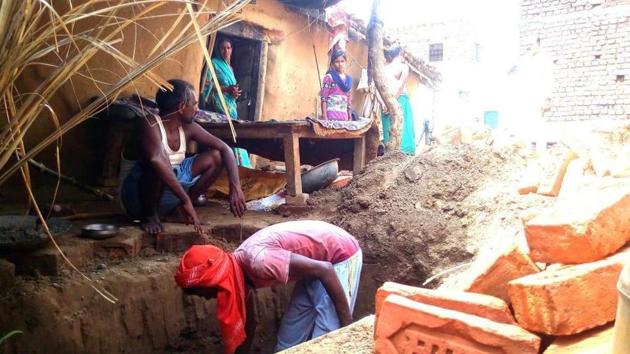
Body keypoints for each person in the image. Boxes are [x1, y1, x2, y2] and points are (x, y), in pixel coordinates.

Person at [175, 220, 362, 353]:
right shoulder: (237, 276)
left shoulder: (259, 261)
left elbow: (325, 269)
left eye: (203, 293)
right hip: (315, 265)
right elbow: (249, 326)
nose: (207, 298)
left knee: (329, 339)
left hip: (338, 256)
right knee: (288, 341)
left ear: (213, 281)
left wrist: (347, 326)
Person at [120, 79, 246, 235]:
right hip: (137, 198)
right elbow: (156, 159)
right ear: (181, 107)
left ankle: (178, 210)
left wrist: (235, 187)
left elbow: (225, 149)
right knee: (157, 164)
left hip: (168, 187)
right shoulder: (149, 124)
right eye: (194, 104)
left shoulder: (188, 127)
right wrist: (186, 199)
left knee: (216, 156)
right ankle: (150, 216)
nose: (197, 109)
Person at [201, 37, 251, 167]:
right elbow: (206, 86)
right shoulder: (213, 63)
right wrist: (226, 89)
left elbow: (231, 89)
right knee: (227, 133)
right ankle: (229, 164)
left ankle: (240, 164)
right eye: (223, 48)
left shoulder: (230, 68)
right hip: (219, 105)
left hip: (231, 106)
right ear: (218, 49)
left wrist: (233, 93)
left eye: (228, 48)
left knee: (235, 134)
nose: (226, 51)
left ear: (232, 50)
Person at [381, 44, 416, 155]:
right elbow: (400, 87)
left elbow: (377, 88)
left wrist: (384, 103)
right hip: (400, 100)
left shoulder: (383, 69)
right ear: (400, 54)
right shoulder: (404, 67)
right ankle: (404, 153)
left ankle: (390, 153)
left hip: (385, 101)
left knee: (389, 126)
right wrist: (393, 101)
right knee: (404, 126)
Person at [320, 50, 353, 121]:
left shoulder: (348, 80)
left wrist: (349, 116)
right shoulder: (329, 77)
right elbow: (323, 98)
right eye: (337, 62)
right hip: (331, 117)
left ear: (346, 62)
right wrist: (324, 117)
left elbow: (349, 99)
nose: (340, 64)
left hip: (344, 117)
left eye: (342, 61)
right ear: (332, 64)